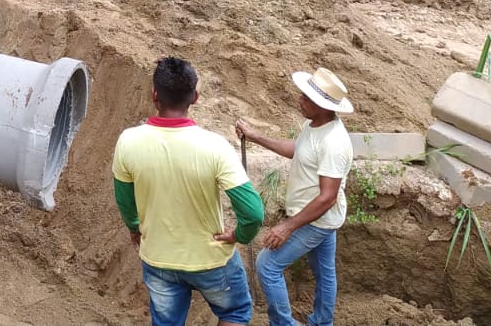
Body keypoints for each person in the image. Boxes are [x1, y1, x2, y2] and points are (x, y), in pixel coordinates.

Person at [112, 57, 264, 326]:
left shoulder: (128, 141)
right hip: (210, 258)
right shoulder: (214, 146)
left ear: (154, 94)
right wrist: (239, 234)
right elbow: (253, 213)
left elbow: (125, 201)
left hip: (158, 258)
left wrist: (135, 227)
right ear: (195, 97)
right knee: (235, 313)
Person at [235, 67, 355, 326]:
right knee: (325, 273)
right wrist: (256, 137)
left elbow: (327, 197)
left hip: (316, 220)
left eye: (307, 98)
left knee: (267, 266)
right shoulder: (314, 126)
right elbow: (298, 150)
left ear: (323, 106)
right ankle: (322, 322)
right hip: (319, 217)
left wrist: (287, 227)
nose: (299, 100)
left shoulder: (334, 143)